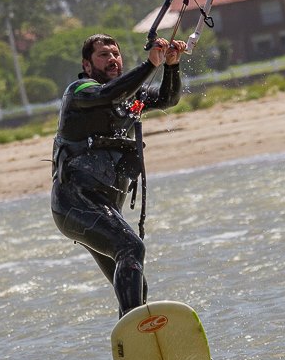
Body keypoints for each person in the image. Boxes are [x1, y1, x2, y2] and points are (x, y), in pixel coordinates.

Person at [51, 33, 186, 318]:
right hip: (74, 203)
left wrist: (171, 65)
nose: (112, 58)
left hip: (103, 207)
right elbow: (106, 94)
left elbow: (167, 98)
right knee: (130, 247)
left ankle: (132, 343)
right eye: (103, 55)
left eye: (115, 53)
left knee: (135, 278)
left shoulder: (130, 98)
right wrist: (150, 65)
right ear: (87, 65)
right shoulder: (79, 92)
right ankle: (135, 330)